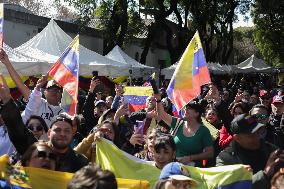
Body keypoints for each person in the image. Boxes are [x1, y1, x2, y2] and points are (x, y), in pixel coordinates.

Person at [0, 75, 89, 172]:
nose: (62, 134)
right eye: (57, 130)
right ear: (49, 132)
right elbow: (17, 129)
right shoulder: (35, 149)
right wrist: (7, 100)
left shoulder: (80, 163)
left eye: (67, 130)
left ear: (73, 133)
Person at [216, 114, 284, 189]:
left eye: (258, 131)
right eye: (251, 135)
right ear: (237, 138)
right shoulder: (225, 159)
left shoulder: (271, 149)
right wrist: (264, 174)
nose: (257, 137)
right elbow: (229, 187)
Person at [156, 94, 214, 167]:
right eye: (185, 107)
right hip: (174, 166)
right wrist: (158, 100)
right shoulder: (177, 123)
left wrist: (190, 158)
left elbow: (210, 153)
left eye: (189, 108)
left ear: (197, 113)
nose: (185, 109)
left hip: (193, 170)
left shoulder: (204, 131)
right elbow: (161, 114)